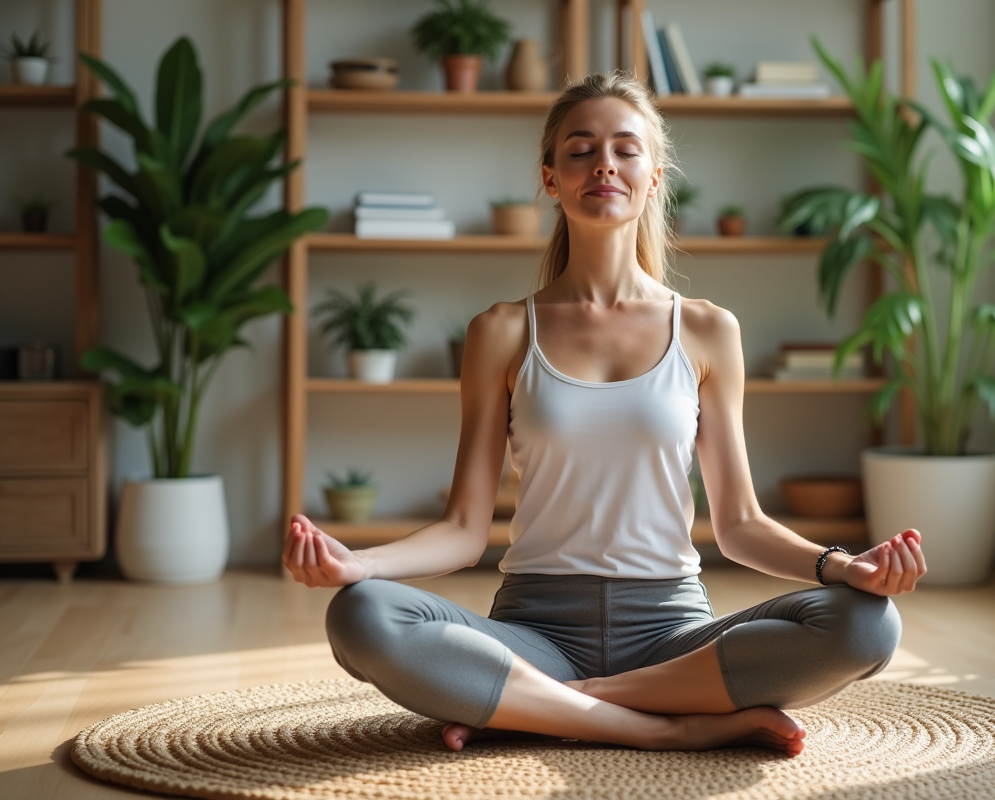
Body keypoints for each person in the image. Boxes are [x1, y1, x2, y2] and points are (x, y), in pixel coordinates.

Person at [283, 70, 926, 759]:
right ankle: (667, 725)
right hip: (534, 632)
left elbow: (740, 526)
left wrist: (842, 567)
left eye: (625, 149)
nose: (604, 165)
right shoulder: (501, 331)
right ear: (551, 179)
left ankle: (541, 705)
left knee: (867, 624)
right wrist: (357, 563)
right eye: (581, 150)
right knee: (362, 613)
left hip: (673, 636)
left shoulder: (708, 330)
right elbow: (465, 531)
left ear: (654, 177)